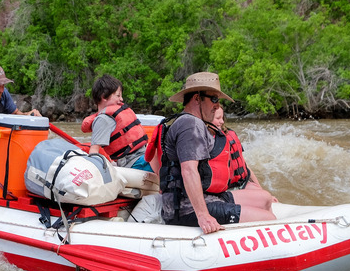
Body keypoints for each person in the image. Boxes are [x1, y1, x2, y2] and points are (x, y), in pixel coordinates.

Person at [159, 72, 276, 234]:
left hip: (208, 197)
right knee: (269, 220)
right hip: (185, 208)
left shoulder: (195, 123)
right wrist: (203, 215)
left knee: (264, 198)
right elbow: (188, 170)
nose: (217, 105)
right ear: (197, 98)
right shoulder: (190, 125)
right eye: (214, 99)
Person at [81, 74, 152, 171]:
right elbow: (94, 152)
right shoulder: (103, 119)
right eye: (118, 95)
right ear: (104, 97)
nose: (121, 99)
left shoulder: (115, 114)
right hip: (135, 163)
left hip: (143, 156)